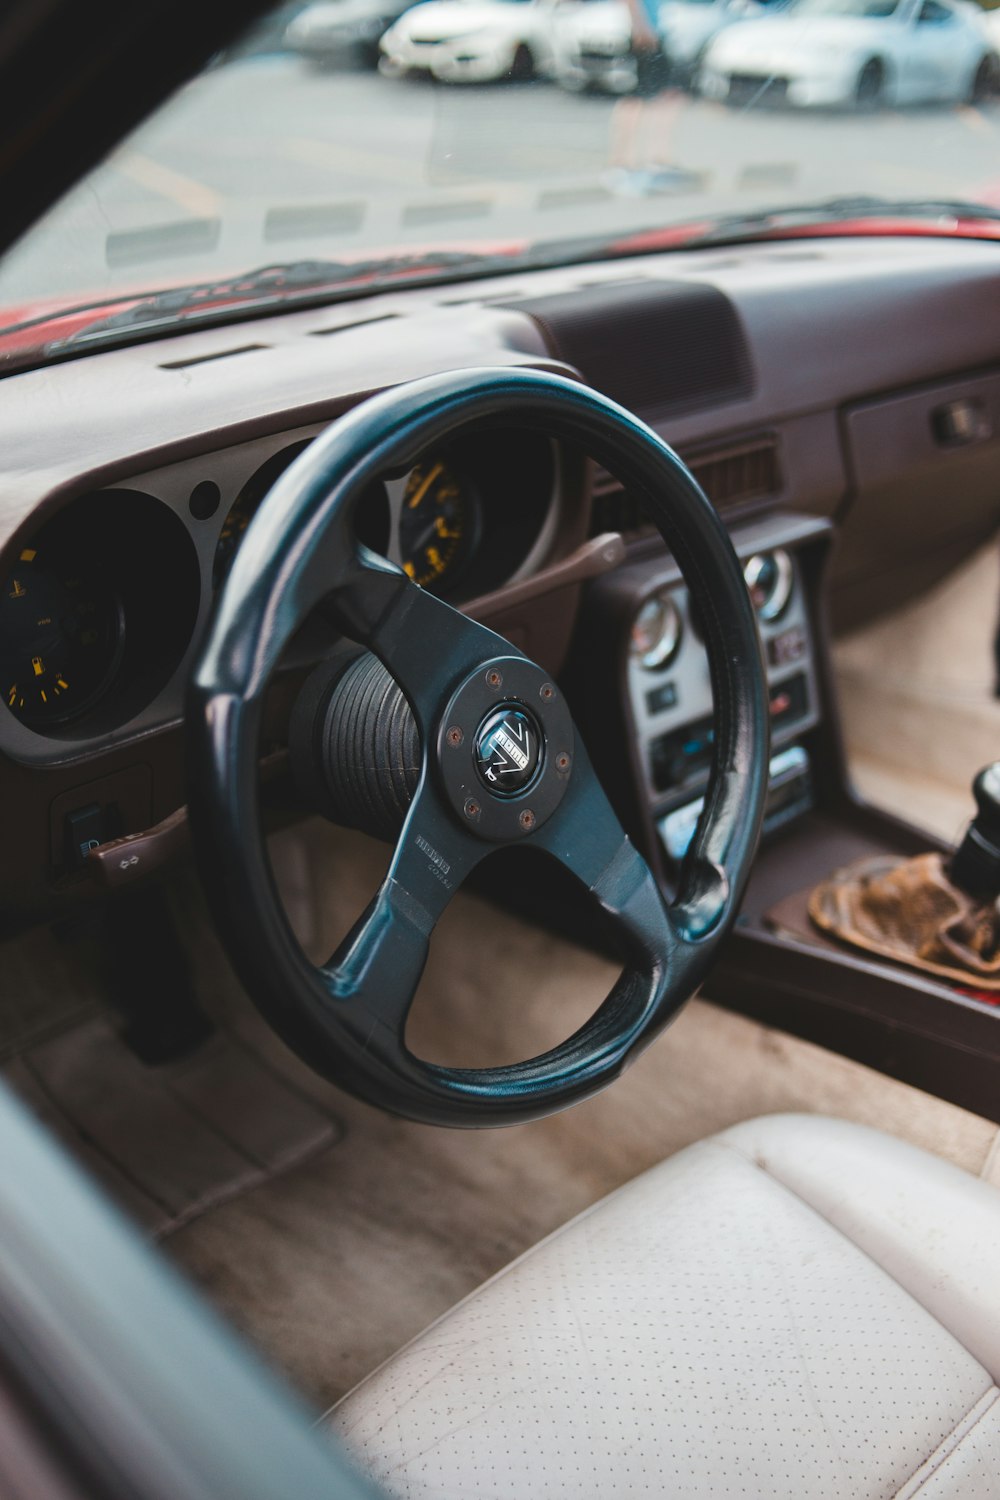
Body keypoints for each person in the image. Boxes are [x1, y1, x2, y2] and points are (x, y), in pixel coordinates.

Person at [607, 0, 690, 193]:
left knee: (664, 98)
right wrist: (641, 26)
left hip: (657, 33)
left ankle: (657, 158)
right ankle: (622, 162)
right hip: (646, 35)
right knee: (637, 99)